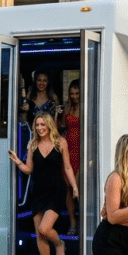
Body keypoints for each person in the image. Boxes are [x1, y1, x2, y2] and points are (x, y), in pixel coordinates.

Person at [7, 112, 78, 255]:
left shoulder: (60, 142)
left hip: (56, 190)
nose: (39, 128)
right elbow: (29, 169)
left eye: (42, 124)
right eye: (37, 125)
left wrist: (75, 187)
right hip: (37, 191)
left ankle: (59, 243)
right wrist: (17, 161)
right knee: (40, 234)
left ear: (49, 125)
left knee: (45, 228)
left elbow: (68, 167)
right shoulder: (32, 144)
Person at [59, 78, 80, 235]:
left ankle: (84, 223)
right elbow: (62, 128)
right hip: (68, 149)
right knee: (68, 188)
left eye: (77, 93)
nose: (74, 96)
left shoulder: (86, 107)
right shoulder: (67, 107)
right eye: (71, 94)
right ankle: (72, 223)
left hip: (81, 150)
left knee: (78, 187)